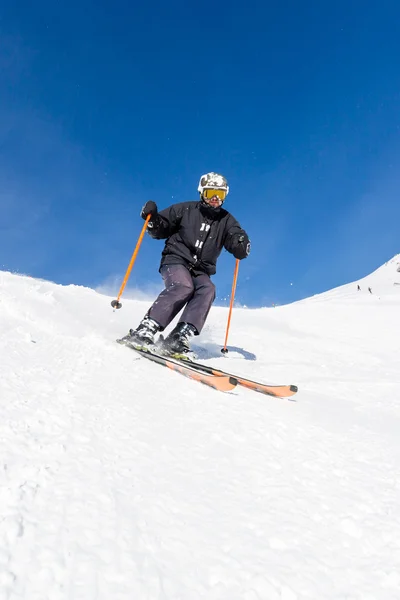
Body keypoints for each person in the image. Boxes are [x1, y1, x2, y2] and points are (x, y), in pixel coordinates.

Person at [119, 172, 250, 355]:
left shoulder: (227, 221)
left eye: (220, 194)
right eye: (211, 192)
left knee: (207, 289)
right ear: (202, 192)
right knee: (183, 286)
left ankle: (178, 337)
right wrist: (153, 219)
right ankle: (146, 329)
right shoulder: (185, 209)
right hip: (176, 260)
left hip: (201, 269)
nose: (214, 198)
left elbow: (235, 240)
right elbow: (160, 228)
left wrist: (240, 244)